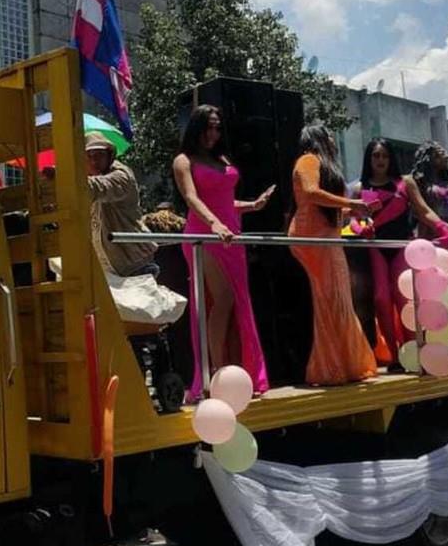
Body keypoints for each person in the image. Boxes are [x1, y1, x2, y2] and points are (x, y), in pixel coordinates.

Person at [173, 105, 273, 401]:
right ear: (196, 128)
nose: (213, 133)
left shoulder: (221, 158)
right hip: (203, 236)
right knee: (223, 298)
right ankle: (216, 373)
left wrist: (252, 206)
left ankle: (235, 370)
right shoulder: (184, 160)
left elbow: (224, 201)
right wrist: (214, 223)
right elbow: (191, 198)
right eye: (208, 127)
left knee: (237, 305)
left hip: (231, 236)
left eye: (217, 127)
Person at [289, 124, 378, 386]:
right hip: (313, 238)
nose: (332, 138)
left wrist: (354, 213)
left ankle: (342, 365)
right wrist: (352, 203)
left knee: (336, 301)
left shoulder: (317, 162)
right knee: (333, 302)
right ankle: (331, 368)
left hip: (325, 235)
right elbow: (310, 193)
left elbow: (322, 203)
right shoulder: (308, 159)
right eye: (328, 134)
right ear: (318, 138)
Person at [406, 141, 448, 365]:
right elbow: (421, 211)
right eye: (438, 152)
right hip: (432, 243)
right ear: (427, 157)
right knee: (433, 299)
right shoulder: (417, 182)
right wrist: (445, 227)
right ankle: (436, 347)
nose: (445, 154)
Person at [346, 139, 412, 370]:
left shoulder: (404, 184)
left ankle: (413, 352)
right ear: (369, 159)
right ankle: (394, 356)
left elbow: (424, 211)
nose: (380, 160)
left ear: (391, 158)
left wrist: (446, 227)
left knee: (405, 299)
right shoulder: (359, 188)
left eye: (384, 155)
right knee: (382, 299)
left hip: (402, 247)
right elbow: (352, 219)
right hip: (375, 248)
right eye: (376, 156)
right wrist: (359, 228)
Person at [85, 132, 159, 278]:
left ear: (109, 155)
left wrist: (64, 176)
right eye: (89, 156)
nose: (94, 161)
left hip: (134, 265)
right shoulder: (90, 179)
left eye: (99, 155)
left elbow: (100, 187)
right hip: (109, 268)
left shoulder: (121, 175)